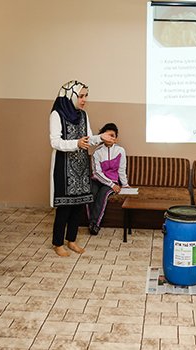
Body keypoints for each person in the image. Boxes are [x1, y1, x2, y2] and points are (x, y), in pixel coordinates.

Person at [49, 80, 115, 256]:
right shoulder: (57, 114)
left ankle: (71, 240)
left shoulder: (83, 115)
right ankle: (57, 243)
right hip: (64, 168)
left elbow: (89, 138)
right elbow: (55, 142)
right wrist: (76, 143)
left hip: (82, 166)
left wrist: (102, 137)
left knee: (78, 206)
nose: (84, 99)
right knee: (64, 207)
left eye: (86, 96)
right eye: (81, 96)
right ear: (71, 95)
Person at [88, 123, 129, 236]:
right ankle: (91, 222)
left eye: (113, 135)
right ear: (102, 136)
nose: (111, 138)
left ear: (116, 138)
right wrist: (112, 185)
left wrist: (124, 185)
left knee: (102, 194)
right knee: (92, 192)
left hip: (111, 182)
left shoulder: (120, 151)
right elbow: (96, 173)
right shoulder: (97, 152)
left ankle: (94, 224)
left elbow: (121, 169)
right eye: (108, 135)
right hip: (98, 180)